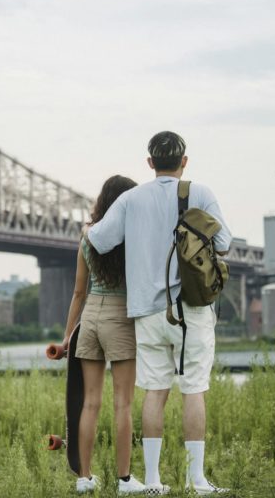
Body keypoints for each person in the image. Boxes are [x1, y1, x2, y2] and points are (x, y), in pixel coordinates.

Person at [86, 131, 232, 496]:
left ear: (149, 163)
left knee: (154, 391)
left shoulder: (131, 199)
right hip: (191, 309)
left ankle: (152, 480)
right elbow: (225, 243)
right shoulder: (200, 193)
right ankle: (195, 480)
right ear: (184, 161)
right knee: (194, 389)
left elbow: (99, 239)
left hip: (146, 312)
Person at [61, 175, 146, 495]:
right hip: (119, 319)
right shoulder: (133, 236)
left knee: (90, 403)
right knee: (122, 403)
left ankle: (84, 478)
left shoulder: (87, 236)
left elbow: (78, 292)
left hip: (90, 320)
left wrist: (68, 336)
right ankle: (125, 480)